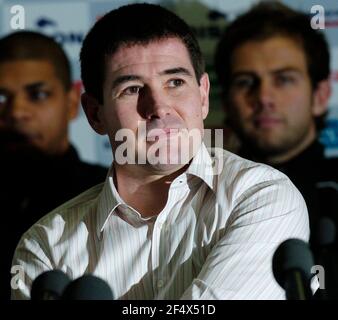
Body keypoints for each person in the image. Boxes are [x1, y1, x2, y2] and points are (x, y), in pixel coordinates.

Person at [12, 3, 310, 300]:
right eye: (131, 89)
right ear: (95, 114)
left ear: (203, 96)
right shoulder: (46, 246)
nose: (158, 108)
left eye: (175, 82)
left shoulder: (261, 196)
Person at [214, 2, 338, 298]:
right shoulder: (200, 194)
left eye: (284, 79)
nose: (264, 97)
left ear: (320, 95)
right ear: (225, 101)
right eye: (246, 82)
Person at [0, 31, 107, 300]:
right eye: (1, 98)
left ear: (72, 102)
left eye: (37, 94)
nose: (16, 112)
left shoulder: (112, 194)